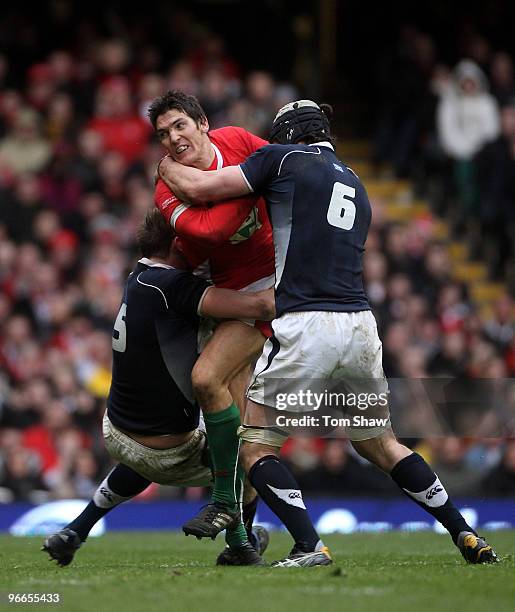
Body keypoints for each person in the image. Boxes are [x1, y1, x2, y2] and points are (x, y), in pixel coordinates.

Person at [157, 99, 499, 567]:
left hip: (306, 324)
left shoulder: (283, 159)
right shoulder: (356, 183)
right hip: (360, 326)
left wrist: (165, 166)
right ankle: (466, 534)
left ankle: (307, 545)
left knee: (254, 447)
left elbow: (201, 186)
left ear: (289, 134)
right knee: (383, 445)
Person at [41, 208, 274, 567]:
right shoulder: (172, 288)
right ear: (178, 244)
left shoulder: (139, 276)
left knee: (152, 441)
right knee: (249, 444)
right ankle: (240, 540)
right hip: (168, 451)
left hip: (118, 432)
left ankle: (75, 529)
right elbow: (260, 305)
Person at [149, 91, 275, 543]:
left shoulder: (239, 140)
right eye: (163, 134)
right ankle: (244, 540)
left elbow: (284, 167)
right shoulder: (166, 188)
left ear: (202, 123)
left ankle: (226, 503)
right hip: (232, 299)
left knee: (208, 381)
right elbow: (210, 230)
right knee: (240, 431)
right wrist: (250, 186)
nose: (173, 138)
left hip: (275, 288)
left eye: (180, 125)